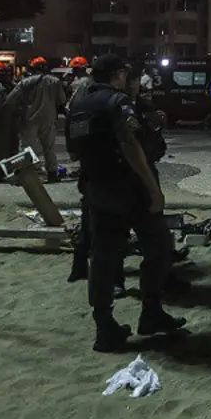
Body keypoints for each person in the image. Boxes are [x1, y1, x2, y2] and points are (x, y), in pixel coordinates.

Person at [68, 55, 185, 352]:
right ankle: (151, 311)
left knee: (104, 258)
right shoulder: (117, 101)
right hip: (128, 188)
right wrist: (152, 188)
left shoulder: (79, 106)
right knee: (159, 245)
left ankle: (104, 325)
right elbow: (130, 144)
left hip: (97, 189)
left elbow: (73, 152)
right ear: (118, 73)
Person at [5, 57, 67, 181]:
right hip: (48, 118)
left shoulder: (25, 82)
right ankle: (52, 173)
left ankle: (32, 173)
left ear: (32, 68)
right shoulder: (55, 81)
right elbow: (61, 101)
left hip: (29, 119)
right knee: (49, 147)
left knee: (27, 148)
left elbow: (10, 100)